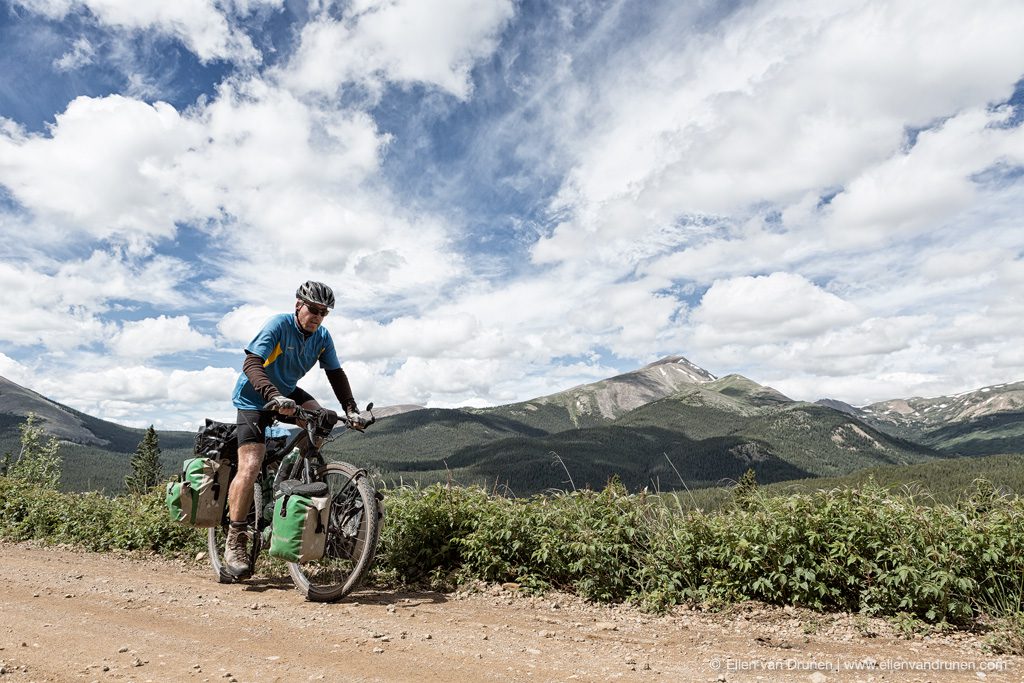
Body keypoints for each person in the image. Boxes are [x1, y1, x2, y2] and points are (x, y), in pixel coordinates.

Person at [224, 280, 364, 577]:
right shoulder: (278, 325)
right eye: (313, 309)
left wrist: (351, 409)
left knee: (324, 419)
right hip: (254, 397)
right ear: (298, 305)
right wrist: (272, 396)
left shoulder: (322, 337)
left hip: (287, 391)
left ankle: (295, 474)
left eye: (324, 313)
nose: (318, 316)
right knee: (250, 465)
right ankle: (235, 539)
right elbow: (251, 363)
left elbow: (336, 373)